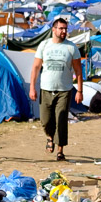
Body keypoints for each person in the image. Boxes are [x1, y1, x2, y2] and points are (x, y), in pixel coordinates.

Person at [29, 17, 82, 161]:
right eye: (61, 28)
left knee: (61, 118)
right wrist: (32, 87)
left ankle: (60, 150)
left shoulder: (71, 47)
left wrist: (79, 91)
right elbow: (35, 67)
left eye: (66, 29)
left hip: (64, 89)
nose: (64, 31)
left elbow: (78, 70)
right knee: (46, 120)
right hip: (46, 88)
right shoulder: (44, 45)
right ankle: (49, 137)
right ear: (54, 29)